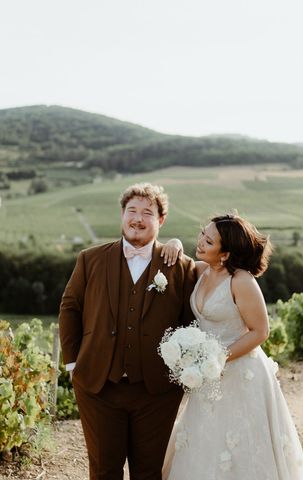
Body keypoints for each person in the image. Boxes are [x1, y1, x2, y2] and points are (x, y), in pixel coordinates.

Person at [58, 183, 197, 480]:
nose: (138, 218)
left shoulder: (181, 267)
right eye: (132, 211)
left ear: (161, 221)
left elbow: (190, 324)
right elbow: (70, 308)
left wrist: (182, 374)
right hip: (98, 387)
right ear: (122, 215)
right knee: (104, 470)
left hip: (157, 391)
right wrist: (72, 364)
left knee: (148, 472)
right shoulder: (90, 259)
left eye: (147, 212)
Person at [163, 214, 303, 480]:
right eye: (202, 234)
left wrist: (219, 357)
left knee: (242, 445)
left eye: (209, 240)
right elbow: (178, 260)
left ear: (226, 253)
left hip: (242, 373)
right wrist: (173, 241)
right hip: (208, 375)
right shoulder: (201, 270)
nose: (201, 242)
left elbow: (260, 331)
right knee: (205, 438)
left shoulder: (241, 281)